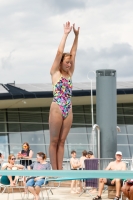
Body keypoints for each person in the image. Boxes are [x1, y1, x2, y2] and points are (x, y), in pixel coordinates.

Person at [49, 21, 80, 170]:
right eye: (66, 62)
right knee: (54, 140)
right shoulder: (55, 73)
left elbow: (73, 53)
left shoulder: (70, 74)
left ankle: (60, 170)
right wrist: (66, 34)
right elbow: (59, 52)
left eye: (70, 63)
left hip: (68, 107)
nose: (69, 64)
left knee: (62, 141)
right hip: (57, 106)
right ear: (60, 63)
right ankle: (54, 170)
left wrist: (77, 36)